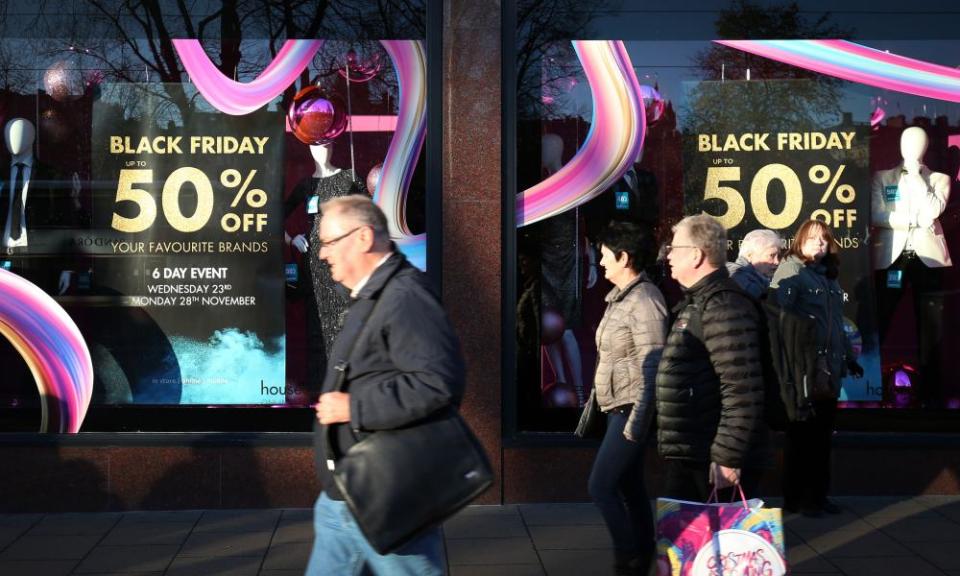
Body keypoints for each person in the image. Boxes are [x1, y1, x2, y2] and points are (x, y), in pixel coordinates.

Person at [307, 195, 464, 576]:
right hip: (345, 494)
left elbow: (438, 382)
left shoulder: (406, 296)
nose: (322, 254)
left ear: (363, 238)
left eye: (329, 242)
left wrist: (352, 407)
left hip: (385, 493)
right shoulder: (373, 293)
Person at [656, 214, 766, 501]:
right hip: (694, 452)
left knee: (712, 544)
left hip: (712, 457)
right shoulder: (698, 301)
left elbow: (743, 390)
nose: (667, 255)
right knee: (683, 542)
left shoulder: (724, 305)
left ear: (695, 255)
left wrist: (728, 457)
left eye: (674, 248)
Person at [584, 221, 666, 575]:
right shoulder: (623, 297)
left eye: (604, 256)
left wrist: (635, 426)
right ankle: (644, 555)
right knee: (630, 487)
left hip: (631, 409)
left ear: (624, 257)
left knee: (600, 486)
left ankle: (628, 558)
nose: (600, 263)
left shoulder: (645, 301)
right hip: (618, 407)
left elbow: (654, 368)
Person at [770, 219, 863, 517]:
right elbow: (779, 315)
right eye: (812, 239)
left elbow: (836, 324)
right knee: (802, 437)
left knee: (822, 436)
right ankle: (798, 499)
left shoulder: (830, 278)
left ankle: (819, 496)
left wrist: (849, 357)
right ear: (799, 241)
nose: (819, 244)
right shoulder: (791, 271)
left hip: (830, 369)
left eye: (823, 239)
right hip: (805, 369)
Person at [871, 126, 951, 407]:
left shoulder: (939, 179)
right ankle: (870, 384)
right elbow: (878, 215)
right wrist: (915, 219)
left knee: (931, 326)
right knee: (882, 317)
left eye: (918, 143)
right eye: (908, 142)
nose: (912, 147)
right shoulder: (882, 178)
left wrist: (917, 175)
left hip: (927, 260)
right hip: (894, 258)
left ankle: (932, 393)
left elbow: (933, 210)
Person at [284, 142, 365, 394]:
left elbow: (371, 213)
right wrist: (292, 239)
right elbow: (274, 216)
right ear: (308, 149)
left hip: (341, 266)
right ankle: (320, 395)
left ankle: (346, 392)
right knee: (316, 332)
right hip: (313, 269)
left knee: (343, 328)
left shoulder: (348, 178)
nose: (321, 149)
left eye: (326, 143)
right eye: (315, 144)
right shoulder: (306, 186)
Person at [726, 229, 782, 300]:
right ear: (750, 255)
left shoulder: (758, 281)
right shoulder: (743, 282)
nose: (777, 262)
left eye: (778, 256)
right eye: (771, 255)